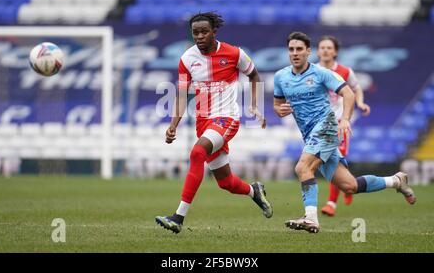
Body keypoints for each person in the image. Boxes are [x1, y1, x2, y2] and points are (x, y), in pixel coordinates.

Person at [273, 32, 415, 233]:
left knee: (302, 167)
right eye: (291, 49)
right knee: (349, 186)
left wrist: (345, 119)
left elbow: (348, 93)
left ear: (308, 52)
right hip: (309, 134)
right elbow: (277, 105)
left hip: (328, 126)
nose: (295, 53)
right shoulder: (281, 77)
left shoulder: (321, 73)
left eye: (299, 49)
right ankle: (396, 180)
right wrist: (279, 110)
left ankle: (311, 218)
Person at [155, 12, 273, 234]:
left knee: (197, 153)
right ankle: (253, 191)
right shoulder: (187, 59)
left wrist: (255, 105)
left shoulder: (235, 54)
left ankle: (178, 218)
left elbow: (254, 76)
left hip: (226, 118)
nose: (199, 36)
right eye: (195, 32)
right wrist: (173, 125)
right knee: (226, 182)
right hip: (204, 122)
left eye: (204, 32)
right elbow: (181, 95)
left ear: (214, 32)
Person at [316, 35, 371, 217]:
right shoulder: (312, 71)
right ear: (317, 51)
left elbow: (356, 89)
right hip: (318, 124)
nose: (325, 50)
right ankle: (349, 186)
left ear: (335, 52)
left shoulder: (345, 71)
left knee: (335, 161)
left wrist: (361, 103)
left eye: (329, 48)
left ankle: (331, 203)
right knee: (328, 161)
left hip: (340, 123)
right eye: (322, 47)